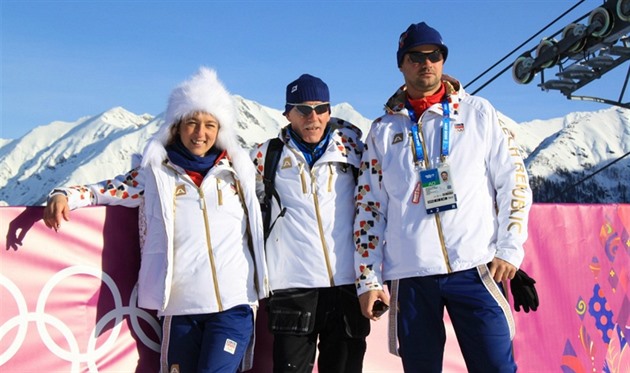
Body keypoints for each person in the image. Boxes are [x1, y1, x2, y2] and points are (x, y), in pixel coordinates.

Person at [43, 67, 269, 373]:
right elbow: (110, 189)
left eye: (209, 125)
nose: (200, 133)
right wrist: (64, 194)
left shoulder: (238, 173)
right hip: (181, 304)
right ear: (176, 126)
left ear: (220, 130)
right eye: (192, 123)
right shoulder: (155, 174)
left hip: (234, 302)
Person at [353, 22, 532, 372]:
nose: (426, 63)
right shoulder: (383, 131)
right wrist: (368, 279)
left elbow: (514, 181)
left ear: (443, 60)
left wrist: (510, 248)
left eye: (434, 55)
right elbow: (369, 209)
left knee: (496, 366)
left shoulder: (478, 113)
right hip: (411, 274)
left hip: (476, 267)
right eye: (415, 57)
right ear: (401, 64)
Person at [251, 74, 369, 373]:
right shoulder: (266, 155)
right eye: (302, 109)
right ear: (288, 113)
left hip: (346, 284)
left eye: (321, 108)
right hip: (292, 287)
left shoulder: (355, 151)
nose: (312, 117)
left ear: (330, 111)